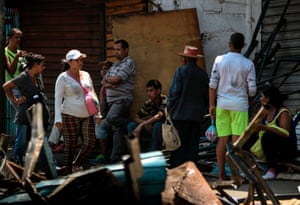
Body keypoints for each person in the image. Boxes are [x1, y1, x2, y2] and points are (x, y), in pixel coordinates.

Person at [209, 32, 257, 181]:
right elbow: (253, 89)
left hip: (222, 105)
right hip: (240, 106)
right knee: (237, 142)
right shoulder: (248, 64)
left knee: (222, 140)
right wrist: (249, 99)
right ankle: (236, 174)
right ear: (243, 46)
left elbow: (212, 85)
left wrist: (211, 104)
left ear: (229, 44)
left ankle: (221, 174)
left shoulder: (219, 60)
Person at [54, 49, 101, 174]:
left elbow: (92, 93)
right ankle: (68, 171)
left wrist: (98, 112)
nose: (80, 62)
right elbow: (58, 99)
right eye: (77, 60)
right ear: (69, 62)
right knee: (70, 145)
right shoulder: (63, 78)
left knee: (90, 142)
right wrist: (58, 118)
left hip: (87, 114)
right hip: (69, 114)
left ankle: (77, 163)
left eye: (81, 59)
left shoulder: (86, 74)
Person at [2, 52, 49, 166]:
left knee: (32, 140)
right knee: (21, 141)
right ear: (35, 65)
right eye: (42, 65)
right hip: (24, 114)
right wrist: (16, 101)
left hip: (34, 115)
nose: (44, 67)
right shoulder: (24, 76)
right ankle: (17, 163)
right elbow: (6, 86)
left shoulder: (37, 77)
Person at [167, 45, 209, 169]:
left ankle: (177, 170)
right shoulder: (202, 75)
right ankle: (191, 170)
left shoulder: (181, 71)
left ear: (185, 59)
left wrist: (169, 107)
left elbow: (174, 92)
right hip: (196, 116)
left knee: (179, 145)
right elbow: (206, 95)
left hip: (180, 114)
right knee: (192, 145)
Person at [244, 84, 297, 180]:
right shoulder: (264, 111)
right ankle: (254, 168)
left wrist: (265, 128)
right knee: (246, 138)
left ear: (268, 99)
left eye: (262, 96)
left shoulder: (283, 112)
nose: (260, 99)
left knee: (268, 136)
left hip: (286, 148)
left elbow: (285, 133)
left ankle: (272, 169)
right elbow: (253, 125)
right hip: (269, 146)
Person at [100, 39, 136, 163]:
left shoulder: (128, 62)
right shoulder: (115, 64)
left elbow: (117, 79)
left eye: (118, 49)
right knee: (117, 129)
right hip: (112, 101)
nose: (116, 52)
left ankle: (130, 122)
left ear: (126, 50)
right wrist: (111, 83)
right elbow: (103, 80)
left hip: (122, 100)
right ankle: (115, 158)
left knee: (111, 118)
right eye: (114, 49)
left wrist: (111, 82)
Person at [127, 79, 167, 152]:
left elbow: (159, 116)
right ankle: (137, 152)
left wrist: (143, 124)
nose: (148, 93)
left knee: (157, 125)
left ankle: (153, 151)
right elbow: (136, 117)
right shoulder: (149, 103)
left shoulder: (165, 100)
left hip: (166, 131)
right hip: (151, 129)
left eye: (151, 90)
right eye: (147, 91)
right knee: (131, 125)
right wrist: (145, 123)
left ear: (158, 91)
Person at [92, 60, 113, 164]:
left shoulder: (112, 84)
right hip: (106, 115)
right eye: (102, 69)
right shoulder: (103, 87)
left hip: (113, 115)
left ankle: (104, 156)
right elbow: (101, 103)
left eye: (106, 69)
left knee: (99, 127)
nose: (104, 71)